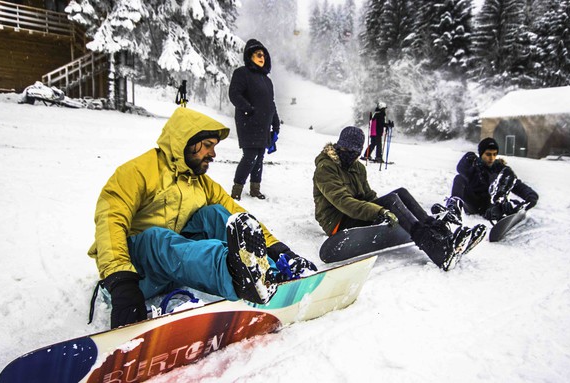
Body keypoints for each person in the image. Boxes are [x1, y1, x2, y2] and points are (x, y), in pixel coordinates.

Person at [88, 108, 316, 329]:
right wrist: (121, 283)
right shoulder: (137, 172)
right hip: (136, 277)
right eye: (208, 146)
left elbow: (237, 216)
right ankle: (238, 277)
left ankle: (267, 273)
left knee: (215, 214)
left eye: (214, 147)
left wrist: (278, 249)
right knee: (156, 237)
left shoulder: (202, 184)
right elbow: (110, 222)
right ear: (185, 141)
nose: (213, 154)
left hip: (176, 267)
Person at [313, 126, 486, 271]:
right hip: (337, 221)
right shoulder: (326, 168)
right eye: (346, 150)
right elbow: (343, 202)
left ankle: (445, 237)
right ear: (339, 146)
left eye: (355, 151)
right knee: (391, 201)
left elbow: (367, 196)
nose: (350, 154)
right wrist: (380, 209)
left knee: (400, 193)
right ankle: (438, 252)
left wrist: (382, 206)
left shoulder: (357, 167)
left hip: (355, 214)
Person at [228, 38, 280, 200]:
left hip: (264, 123)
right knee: (250, 155)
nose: (261, 57)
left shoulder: (267, 80)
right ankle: (237, 189)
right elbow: (234, 94)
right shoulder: (242, 73)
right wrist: (249, 110)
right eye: (258, 54)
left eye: (263, 55)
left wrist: (276, 123)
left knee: (260, 156)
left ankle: (255, 188)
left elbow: (271, 103)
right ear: (249, 56)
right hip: (248, 122)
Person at [448, 137, 539, 221]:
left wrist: (530, 195)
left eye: (494, 154)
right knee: (459, 178)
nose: (491, 158)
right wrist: (468, 161)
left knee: (506, 175)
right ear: (481, 154)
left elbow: (515, 184)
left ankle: (504, 207)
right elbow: (461, 169)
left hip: (491, 204)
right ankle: (454, 207)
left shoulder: (499, 168)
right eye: (488, 154)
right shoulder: (473, 165)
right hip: (473, 204)